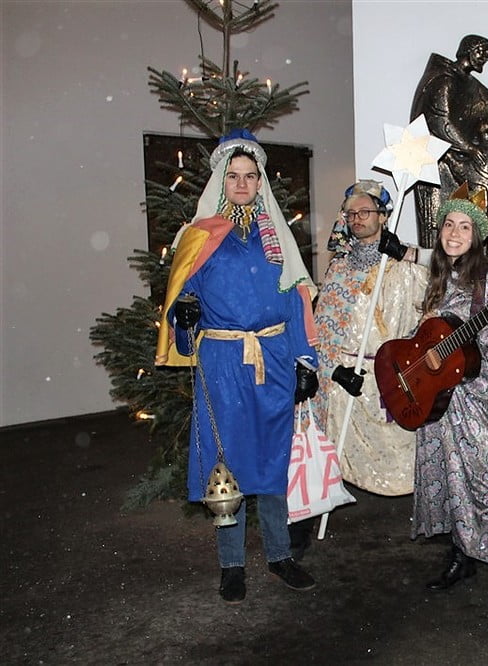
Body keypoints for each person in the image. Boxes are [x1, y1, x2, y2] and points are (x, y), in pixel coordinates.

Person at [155, 129, 319, 605]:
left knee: (273, 458)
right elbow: (182, 299)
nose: (242, 183)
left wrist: (305, 359)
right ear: (221, 181)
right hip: (223, 362)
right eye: (234, 176)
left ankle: (280, 555)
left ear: (260, 181)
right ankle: (231, 565)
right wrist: (184, 313)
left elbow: (295, 300)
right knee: (224, 462)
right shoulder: (199, 237)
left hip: (274, 359)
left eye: (250, 176)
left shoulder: (277, 238)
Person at [410, 186, 488, 634]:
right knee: (447, 479)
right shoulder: (433, 279)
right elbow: (417, 342)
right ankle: (461, 558)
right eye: (449, 224)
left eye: (465, 227)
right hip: (437, 403)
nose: (455, 233)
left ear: (477, 236)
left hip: (480, 403)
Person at [312, 180, 428, 498]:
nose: (357, 219)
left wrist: (408, 255)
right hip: (348, 380)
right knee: (343, 465)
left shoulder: (407, 265)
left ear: (383, 216)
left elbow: (450, 277)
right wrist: (333, 370)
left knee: (400, 467)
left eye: (365, 212)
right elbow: (323, 328)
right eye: (351, 214)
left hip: (390, 376)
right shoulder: (339, 268)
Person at [410, 34, 488, 249]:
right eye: (481, 52)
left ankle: (484, 253)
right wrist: (469, 148)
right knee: (448, 226)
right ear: (467, 51)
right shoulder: (444, 80)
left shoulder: (466, 82)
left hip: (464, 156)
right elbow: (441, 122)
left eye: (487, 54)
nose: (485, 58)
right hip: (443, 160)